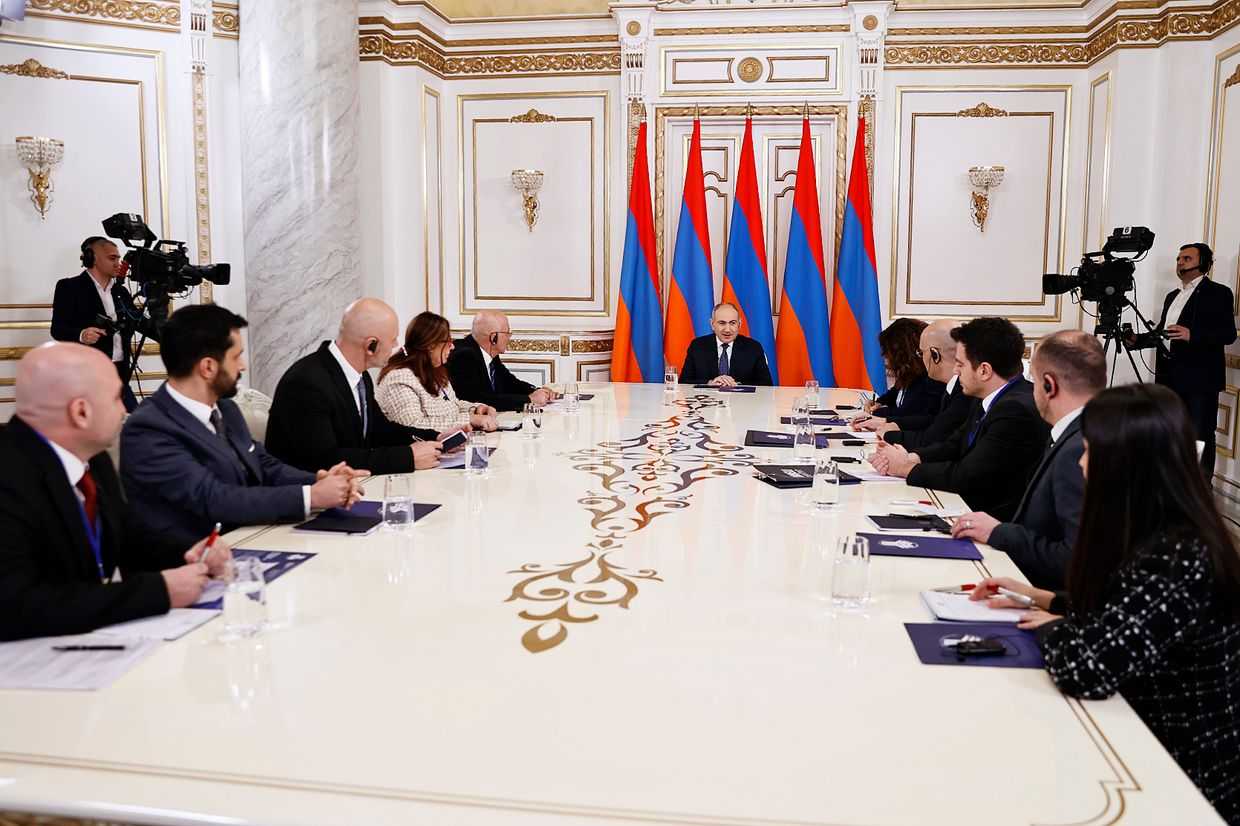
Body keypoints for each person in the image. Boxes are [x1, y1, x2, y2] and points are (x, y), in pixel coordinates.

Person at [970, 384, 1240, 824]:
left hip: (1177, 776)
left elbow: (1085, 666)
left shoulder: (1179, 555)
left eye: (1090, 450)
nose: (1080, 462)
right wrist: (1047, 599)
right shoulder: (1163, 529)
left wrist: (1046, 625)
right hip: (1137, 737)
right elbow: (1129, 610)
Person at [0, 343, 231, 642]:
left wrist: (190, 551)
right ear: (81, 412)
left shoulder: (92, 457)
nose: (124, 410)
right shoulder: (9, 477)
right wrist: (157, 593)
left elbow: (128, 535)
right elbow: (16, 606)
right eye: (116, 398)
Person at [121, 304, 364, 550]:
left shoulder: (226, 409)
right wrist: (311, 496)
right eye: (236, 357)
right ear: (208, 367)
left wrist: (319, 480)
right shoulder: (149, 429)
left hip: (250, 542)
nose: (243, 366)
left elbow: (264, 465)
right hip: (187, 568)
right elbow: (215, 499)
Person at [952, 330, 1105, 589]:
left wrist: (998, 532)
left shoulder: (1078, 449)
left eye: (1032, 381)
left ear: (1049, 385)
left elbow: (1077, 559)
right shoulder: (1082, 432)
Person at [872, 317, 1048, 521]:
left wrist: (905, 468)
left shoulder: (1014, 410)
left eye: (960, 364)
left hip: (994, 523)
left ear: (984, 370)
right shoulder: (990, 397)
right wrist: (912, 457)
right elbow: (953, 444)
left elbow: (968, 475)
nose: (955, 371)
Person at [265, 299, 447, 475]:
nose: (396, 346)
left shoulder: (361, 376)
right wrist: (408, 458)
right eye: (392, 340)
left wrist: (435, 437)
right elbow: (324, 461)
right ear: (371, 346)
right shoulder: (307, 383)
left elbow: (381, 430)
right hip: (306, 497)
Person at [1129, 242, 1236, 476]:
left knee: (1199, 434)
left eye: (1186, 258)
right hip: (1169, 377)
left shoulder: (1218, 293)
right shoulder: (1172, 296)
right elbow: (1163, 334)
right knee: (1170, 432)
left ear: (1204, 263)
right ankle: (1173, 485)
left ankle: (1199, 490)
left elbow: (1228, 334)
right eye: (1178, 259)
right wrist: (1136, 340)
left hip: (1200, 380)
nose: (1180, 263)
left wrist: (1193, 335)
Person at [51, 236, 144, 410]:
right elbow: (57, 329)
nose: (118, 263)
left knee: (133, 427)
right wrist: (81, 334)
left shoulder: (121, 292)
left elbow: (139, 322)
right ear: (91, 258)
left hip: (120, 376)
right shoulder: (69, 287)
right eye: (112, 258)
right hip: (86, 379)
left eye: (118, 257)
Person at [377, 311, 500, 433]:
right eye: (448, 342)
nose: (452, 347)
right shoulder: (399, 379)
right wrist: (470, 419)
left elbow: (453, 405)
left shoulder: (435, 370)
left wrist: (477, 409)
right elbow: (413, 425)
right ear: (430, 346)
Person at [862, 319, 974, 449]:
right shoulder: (952, 387)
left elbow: (933, 436)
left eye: (921, 353)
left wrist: (889, 431)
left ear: (935, 355)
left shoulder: (962, 391)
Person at [447, 311, 556, 412]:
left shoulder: (488, 352)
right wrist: (529, 399)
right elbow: (478, 399)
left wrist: (537, 391)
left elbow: (509, 382)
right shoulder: (463, 356)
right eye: (507, 333)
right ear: (494, 338)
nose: (509, 338)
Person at [853, 318, 943, 428]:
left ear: (903, 352)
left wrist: (876, 414)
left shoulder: (929, 379)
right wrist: (877, 403)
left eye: (887, 351)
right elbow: (894, 393)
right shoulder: (910, 374)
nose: (884, 356)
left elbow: (908, 414)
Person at [678, 302, 773, 387]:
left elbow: (766, 384)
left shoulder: (753, 348)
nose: (727, 329)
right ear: (712, 324)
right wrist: (710, 383)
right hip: (707, 403)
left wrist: (736, 384)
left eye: (732, 323)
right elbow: (683, 382)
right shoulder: (697, 346)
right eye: (722, 323)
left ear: (739, 324)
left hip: (742, 403)